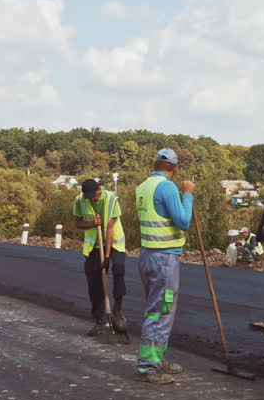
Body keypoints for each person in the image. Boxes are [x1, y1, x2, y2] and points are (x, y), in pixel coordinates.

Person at [133, 148, 195, 384]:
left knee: (157, 308)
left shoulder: (143, 186)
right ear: (175, 168)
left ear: (155, 164)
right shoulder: (168, 187)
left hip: (148, 254)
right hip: (164, 258)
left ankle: (156, 359)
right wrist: (187, 195)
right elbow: (183, 221)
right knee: (160, 310)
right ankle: (148, 366)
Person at [73, 178, 127, 337]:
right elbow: (77, 223)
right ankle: (99, 319)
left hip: (114, 243)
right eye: (88, 196)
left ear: (99, 189)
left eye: (94, 195)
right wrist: (90, 223)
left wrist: (108, 256)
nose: (92, 199)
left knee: (118, 269)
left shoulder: (111, 200)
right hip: (93, 247)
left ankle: (117, 311)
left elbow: (110, 228)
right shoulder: (80, 200)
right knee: (94, 282)